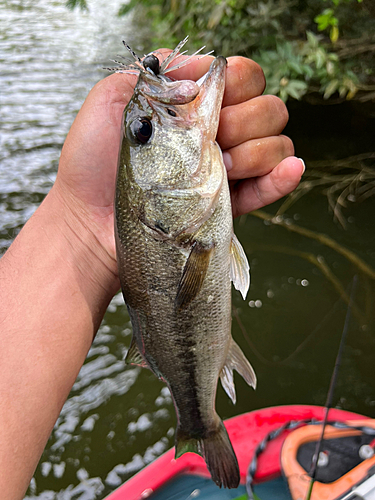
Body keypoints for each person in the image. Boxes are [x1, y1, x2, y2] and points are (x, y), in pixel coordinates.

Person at [0, 51, 304, 499]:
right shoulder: (161, 219)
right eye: (143, 131)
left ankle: (196, 423)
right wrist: (78, 220)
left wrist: (77, 224)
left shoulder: (174, 218)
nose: (149, 123)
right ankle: (201, 424)